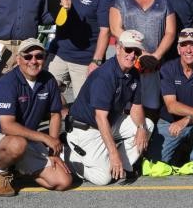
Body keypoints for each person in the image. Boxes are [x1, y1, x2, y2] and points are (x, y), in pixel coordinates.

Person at [0, 38, 72, 196]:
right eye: (27, 56)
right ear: (18, 59)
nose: (33, 61)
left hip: (25, 138)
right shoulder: (7, 82)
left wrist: (52, 150)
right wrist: (44, 138)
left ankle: (16, 167)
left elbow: (55, 114)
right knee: (17, 144)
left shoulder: (48, 80)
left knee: (63, 181)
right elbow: (7, 126)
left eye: (39, 56)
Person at [65, 29, 155, 186]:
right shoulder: (105, 75)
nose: (132, 55)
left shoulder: (133, 73)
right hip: (85, 130)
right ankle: (66, 155)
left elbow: (136, 106)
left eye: (136, 51)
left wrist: (141, 127)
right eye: (128, 49)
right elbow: (100, 118)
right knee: (103, 178)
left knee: (148, 125)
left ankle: (122, 167)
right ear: (118, 48)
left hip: (107, 123)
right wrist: (113, 154)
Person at [109, 0, 177, 115]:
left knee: (151, 108)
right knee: (126, 107)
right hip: (128, 62)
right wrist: (140, 54)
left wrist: (155, 57)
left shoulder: (163, 0)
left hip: (154, 65)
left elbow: (170, 32)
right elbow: (115, 28)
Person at [47, 0, 112, 102]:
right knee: (44, 91)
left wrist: (96, 61)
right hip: (60, 54)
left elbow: (105, 31)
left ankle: (75, 119)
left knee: (84, 104)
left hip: (84, 59)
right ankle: (63, 113)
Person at [150, 28, 193, 173]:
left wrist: (189, 118)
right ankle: (180, 150)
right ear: (178, 49)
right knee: (157, 162)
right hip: (170, 122)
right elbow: (171, 106)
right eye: (184, 45)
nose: (188, 50)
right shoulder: (167, 69)